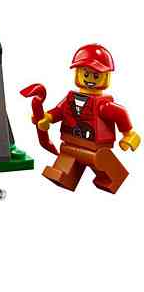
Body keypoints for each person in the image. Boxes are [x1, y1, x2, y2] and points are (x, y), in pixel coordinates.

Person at [36, 44, 140, 193]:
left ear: (106, 76)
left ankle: (112, 178)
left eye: (96, 75)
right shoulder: (71, 98)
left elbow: (120, 113)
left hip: (96, 148)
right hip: (71, 142)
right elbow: (60, 111)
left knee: (99, 160)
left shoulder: (103, 105)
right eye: (85, 74)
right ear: (77, 74)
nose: (90, 79)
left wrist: (129, 134)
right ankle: (64, 176)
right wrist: (47, 118)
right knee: (68, 156)